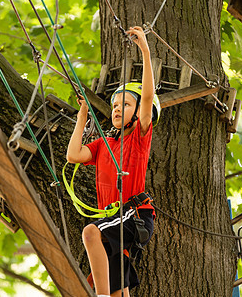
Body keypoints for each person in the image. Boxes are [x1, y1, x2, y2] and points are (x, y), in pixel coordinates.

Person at [66, 26, 159, 297]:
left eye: (125, 105)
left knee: (90, 234)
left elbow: (148, 97)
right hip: (114, 221)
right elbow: (73, 155)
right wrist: (83, 115)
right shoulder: (105, 145)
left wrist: (144, 50)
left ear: (138, 113)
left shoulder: (139, 138)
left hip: (135, 214)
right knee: (120, 288)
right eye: (115, 105)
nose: (118, 109)